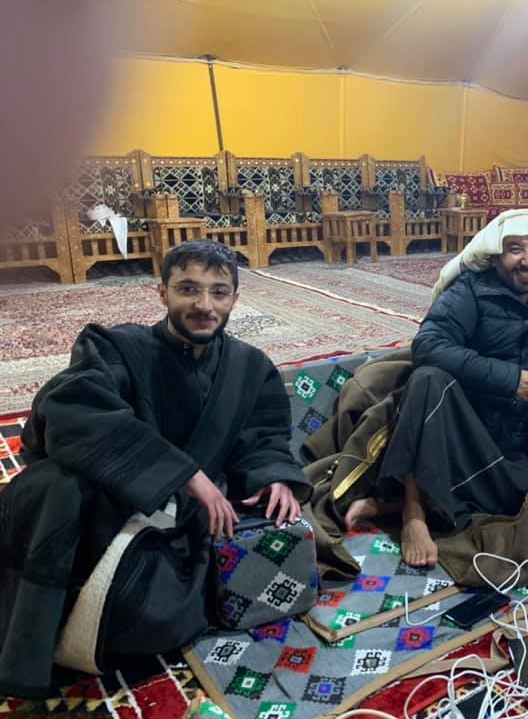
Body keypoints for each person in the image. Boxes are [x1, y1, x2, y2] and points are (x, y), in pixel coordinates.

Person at [0, 240, 312, 698]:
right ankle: (28, 646)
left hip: (181, 520)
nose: (204, 306)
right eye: (188, 289)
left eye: (218, 292)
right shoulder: (117, 348)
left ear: (235, 298)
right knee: (49, 487)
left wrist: (274, 476)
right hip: (106, 497)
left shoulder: (251, 367)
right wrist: (184, 472)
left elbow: (263, 435)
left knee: (156, 620)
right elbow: (69, 411)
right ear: (161, 292)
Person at [341, 209, 528, 566]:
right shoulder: (470, 290)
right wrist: (508, 378)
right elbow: (428, 345)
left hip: (513, 435)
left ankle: (395, 502)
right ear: (494, 256)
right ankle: (413, 513)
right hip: (458, 423)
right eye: (515, 249)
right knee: (427, 378)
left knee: (515, 503)